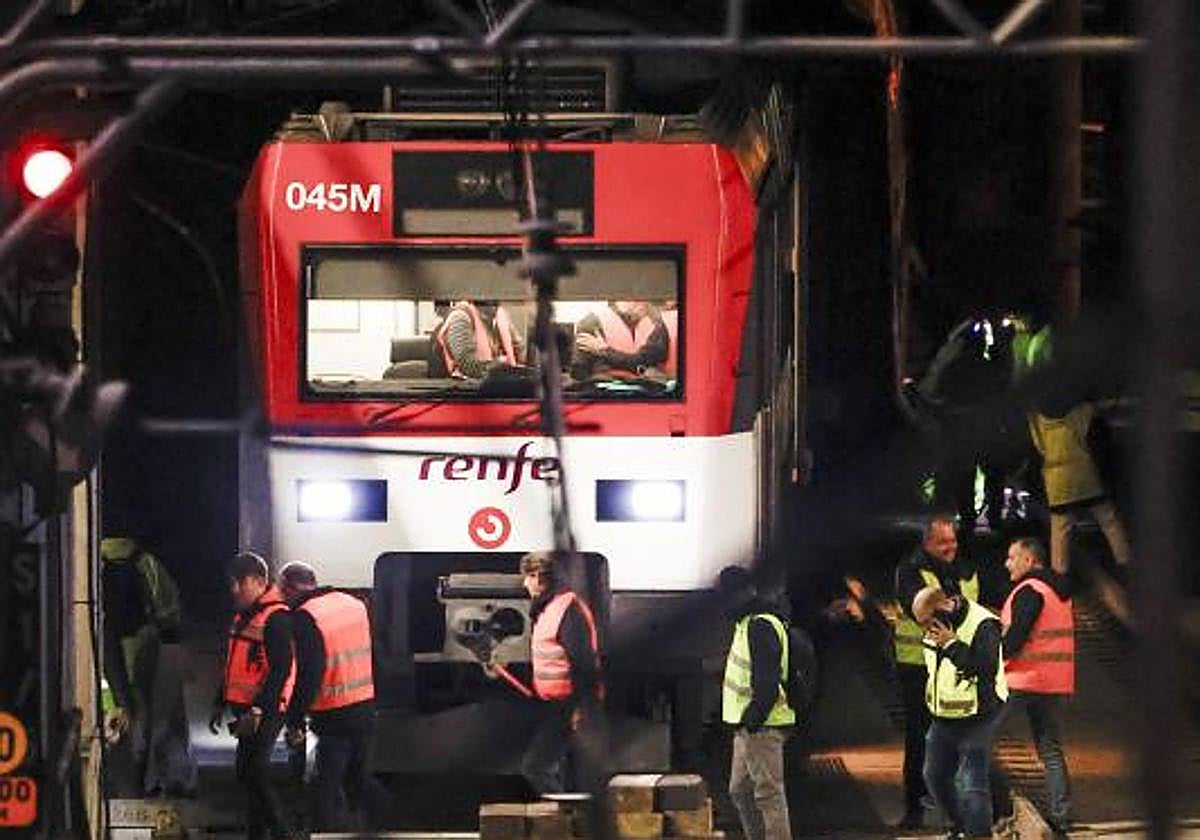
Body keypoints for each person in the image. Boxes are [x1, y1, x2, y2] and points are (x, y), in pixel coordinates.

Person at [279, 562, 388, 831]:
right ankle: (384, 827)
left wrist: (294, 720)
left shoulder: (306, 617)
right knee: (358, 780)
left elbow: (310, 673)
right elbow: (373, 652)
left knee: (324, 789)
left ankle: (324, 835)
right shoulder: (354, 604)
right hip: (364, 707)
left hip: (333, 717)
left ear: (290, 588)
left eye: (282, 592)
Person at [1018, 324, 1133, 575]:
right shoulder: (1082, 412)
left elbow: (1037, 447)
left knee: (1060, 528)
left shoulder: (1036, 416)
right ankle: (1125, 563)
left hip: (1056, 477)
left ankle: (1060, 573)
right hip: (1085, 472)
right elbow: (1097, 437)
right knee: (1109, 519)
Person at [890, 514, 980, 829]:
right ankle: (914, 808)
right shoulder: (911, 569)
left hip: (957, 664)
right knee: (919, 737)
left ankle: (957, 811)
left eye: (953, 540)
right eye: (943, 542)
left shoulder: (966, 568)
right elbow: (923, 610)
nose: (950, 547)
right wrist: (954, 610)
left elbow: (975, 611)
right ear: (927, 542)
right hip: (918, 665)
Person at [100, 535, 197, 797]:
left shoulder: (94, 558)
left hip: (108, 644)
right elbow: (168, 606)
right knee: (162, 713)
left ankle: (125, 782)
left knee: (122, 710)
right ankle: (169, 780)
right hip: (145, 643)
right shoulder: (144, 560)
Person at [210, 552, 296, 840]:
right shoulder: (244, 616)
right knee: (246, 773)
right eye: (231, 583)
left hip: (267, 710)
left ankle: (281, 832)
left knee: (255, 772)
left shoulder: (277, 618)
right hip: (246, 711)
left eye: (239, 582)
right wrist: (220, 702)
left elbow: (281, 669)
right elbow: (233, 664)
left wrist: (259, 709)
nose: (234, 589)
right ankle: (257, 833)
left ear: (259, 582)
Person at [913, 586, 1007, 840]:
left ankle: (978, 834)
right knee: (934, 775)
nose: (923, 628)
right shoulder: (937, 626)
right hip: (944, 717)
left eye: (925, 621)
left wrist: (952, 644)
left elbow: (985, 670)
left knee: (972, 783)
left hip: (979, 714)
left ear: (943, 608)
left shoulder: (983, 625)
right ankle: (959, 827)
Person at [998, 538, 1074, 834]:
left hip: (1021, 679)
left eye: (1011, 557)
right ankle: (1061, 814)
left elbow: (1015, 640)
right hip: (1054, 682)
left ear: (1029, 560)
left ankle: (984, 809)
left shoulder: (1030, 591)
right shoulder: (1060, 591)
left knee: (979, 740)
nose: (1007, 563)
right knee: (1050, 749)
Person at [718, 565, 795, 840]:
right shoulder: (747, 623)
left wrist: (753, 719)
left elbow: (766, 681)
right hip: (748, 725)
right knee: (740, 790)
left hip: (763, 725)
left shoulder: (760, 625)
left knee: (768, 795)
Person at [519, 551, 602, 795]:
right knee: (563, 771)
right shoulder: (549, 608)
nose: (525, 583)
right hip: (556, 703)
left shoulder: (567, 609)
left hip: (568, 704)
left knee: (535, 767)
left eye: (529, 576)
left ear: (541, 578)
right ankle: (571, 824)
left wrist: (581, 707)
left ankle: (564, 821)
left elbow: (582, 661)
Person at [572, 300, 669, 380]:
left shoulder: (656, 324)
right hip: (607, 393)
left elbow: (644, 361)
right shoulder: (591, 323)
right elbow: (578, 371)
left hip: (649, 393)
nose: (640, 304)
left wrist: (603, 350)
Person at [433, 299, 524, 379]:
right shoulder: (460, 317)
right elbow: (467, 366)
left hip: (491, 389)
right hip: (461, 392)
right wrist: (499, 364)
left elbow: (519, 350)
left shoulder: (497, 318)